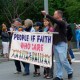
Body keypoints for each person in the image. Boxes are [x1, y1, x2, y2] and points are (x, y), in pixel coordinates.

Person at [41, 10, 73, 80]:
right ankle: (59, 76)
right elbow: (56, 32)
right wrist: (50, 32)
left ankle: (70, 71)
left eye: (55, 14)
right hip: (55, 43)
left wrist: (47, 14)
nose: (53, 15)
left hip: (61, 43)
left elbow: (56, 21)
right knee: (58, 61)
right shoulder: (56, 24)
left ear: (59, 15)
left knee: (63, 60)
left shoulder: (62, 22)